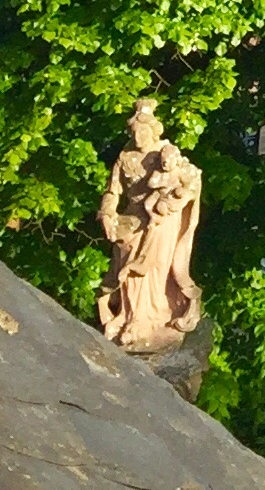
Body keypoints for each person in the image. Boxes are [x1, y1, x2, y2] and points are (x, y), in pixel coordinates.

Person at [93, 98, 203, 352]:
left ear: (153, 131)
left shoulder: (165, 153)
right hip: (131, 219)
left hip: (162, 219)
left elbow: (190, 180)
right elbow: (112, 191)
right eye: (133, 132)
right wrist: (108, 214)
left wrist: (178, 196)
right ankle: (130, 317)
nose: (138, 136)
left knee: (152, 268)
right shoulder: (125, 157)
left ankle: (151, 318)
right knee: (127, 266)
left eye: (143, 131)